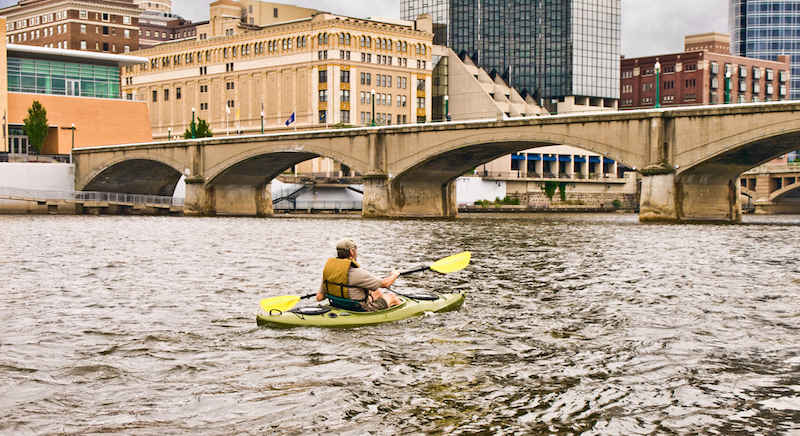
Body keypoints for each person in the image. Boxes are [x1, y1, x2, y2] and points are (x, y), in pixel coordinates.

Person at [317, 238, 401, 311]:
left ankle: (383, 308)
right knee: (392, 296)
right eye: (355, 250)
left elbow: (319, 297)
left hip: (338, 305)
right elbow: (386, 283)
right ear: (352, 252)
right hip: (358, 308)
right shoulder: (358, 273)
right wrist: (395, 274)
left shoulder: (329, 272)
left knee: (376, 291)